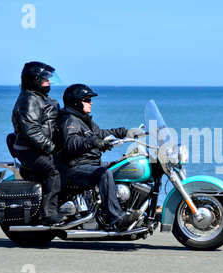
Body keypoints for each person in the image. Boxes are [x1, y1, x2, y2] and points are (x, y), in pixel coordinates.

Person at [57, 84, 142, 230]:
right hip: (75, 167)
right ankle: (117, 218)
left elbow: (101, 134)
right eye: (87, 99)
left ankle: (119, 207)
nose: (91, 102)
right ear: (75, 102)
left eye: (90, 99)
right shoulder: (69, 120)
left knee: (120, 165)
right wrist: (93, 142)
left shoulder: (83, 119)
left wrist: (126, 132)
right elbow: (71, 144)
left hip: (90, 162)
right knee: (104, 173)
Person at [11, 61, 66, 225]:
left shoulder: (41, 97)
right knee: (54, 171)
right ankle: (48, 214)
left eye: (49, 78)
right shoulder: (29, 100)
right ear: (34, 80)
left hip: (38, 148)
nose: (49, 81)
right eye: (45, 78)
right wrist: (52, 148)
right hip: (29, 149)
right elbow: (32, 131)